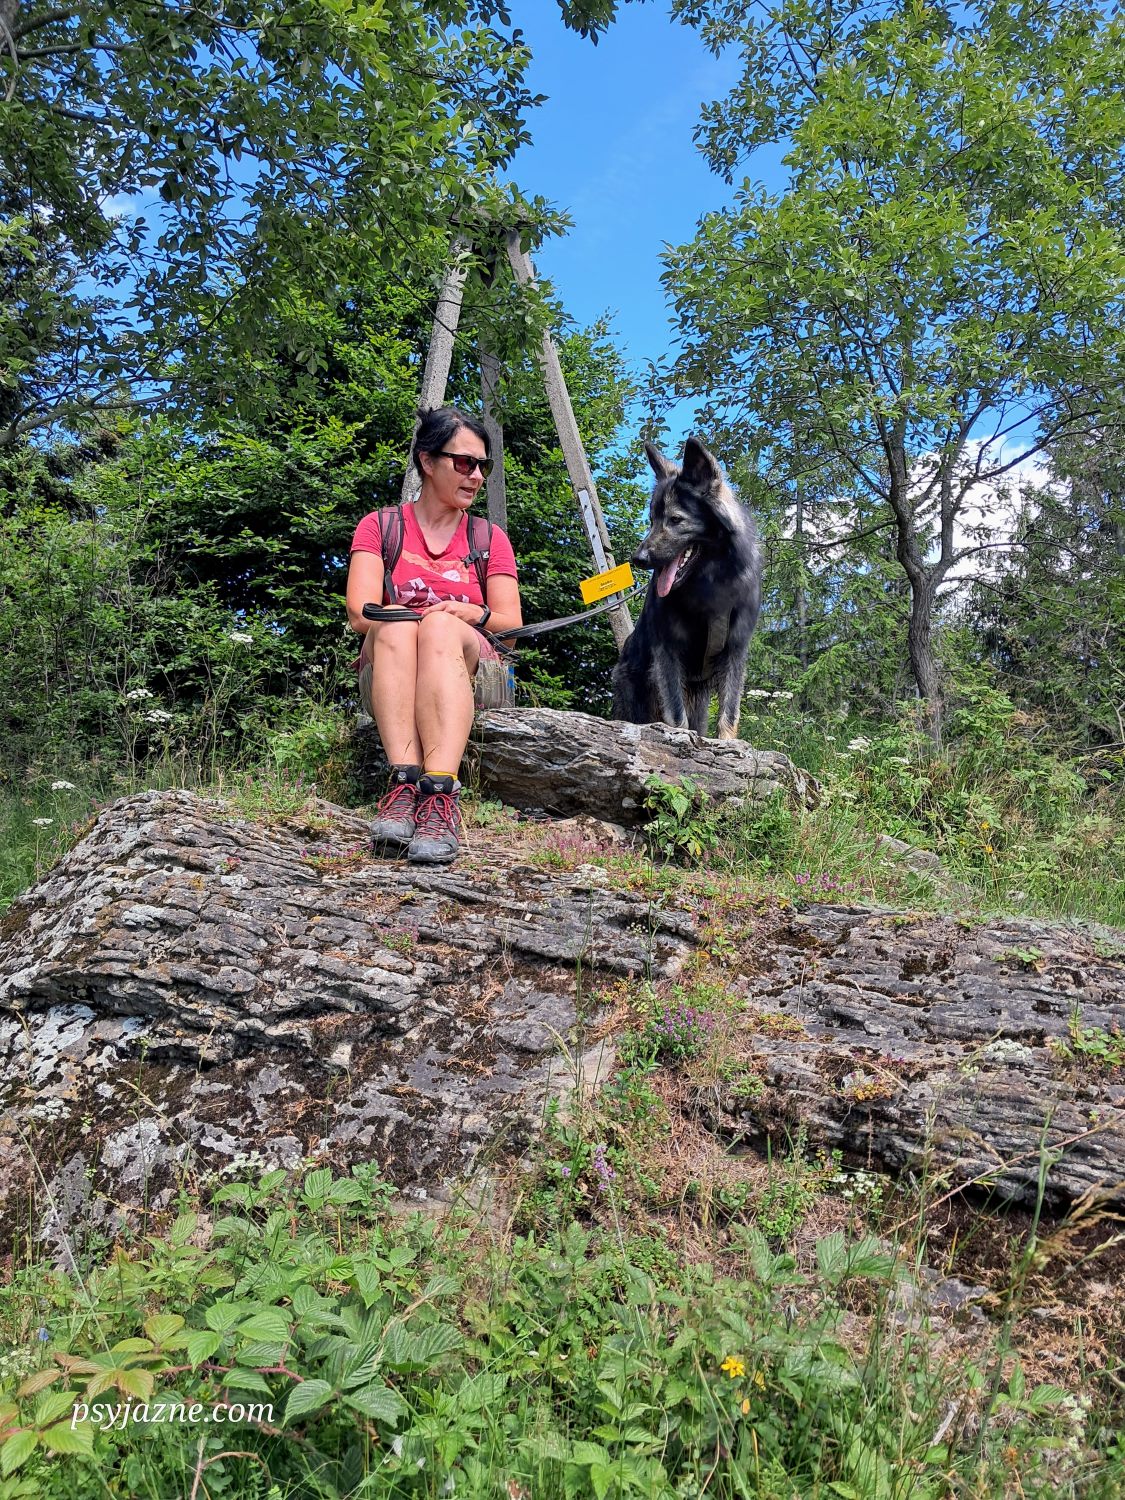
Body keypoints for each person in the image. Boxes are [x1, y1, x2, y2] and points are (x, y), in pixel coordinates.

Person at [345, 407, 522, 864]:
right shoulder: (380, 527)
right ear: (427, 461)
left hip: (476, 672)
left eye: (483, 466)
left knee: (441, 625)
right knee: (396, 622)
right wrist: (409, 618)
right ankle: (404, 785)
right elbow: (359, 613)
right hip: (392, 666)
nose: (477, 476)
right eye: (464, 463)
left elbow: (513, 627)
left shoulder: (489, 537)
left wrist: (472, 611)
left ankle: (439, 796)